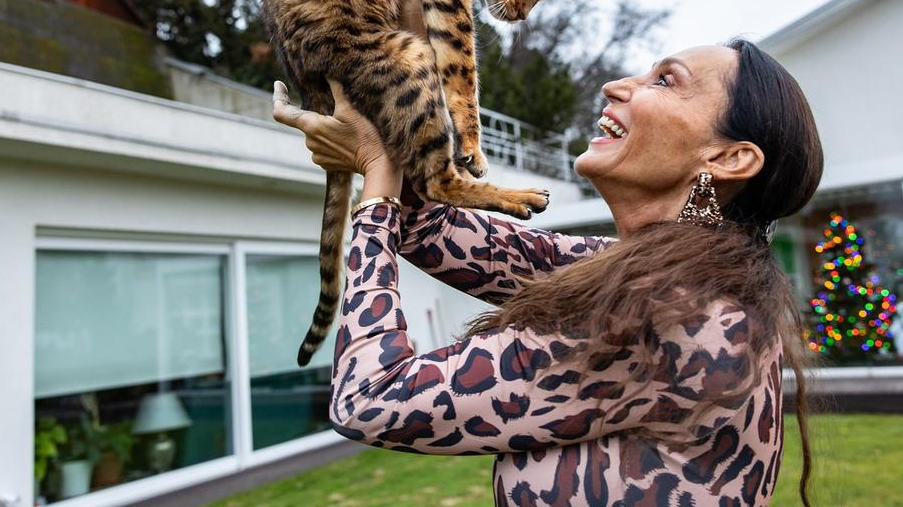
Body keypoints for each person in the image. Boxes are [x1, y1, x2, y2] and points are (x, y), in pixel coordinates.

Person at [272, 39, 822, 507]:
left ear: (728, 160)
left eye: (665, 81)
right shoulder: (650, 273)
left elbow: (371, 398)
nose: (616, 85)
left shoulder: (682, 313)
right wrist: (384, 113)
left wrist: (375, 175)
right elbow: (428, 229)